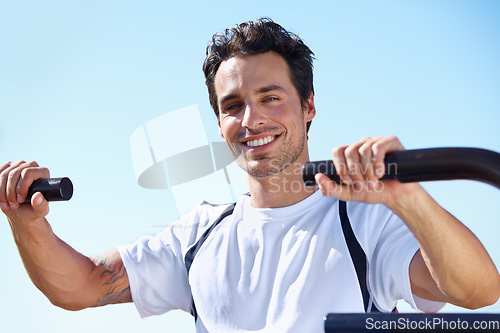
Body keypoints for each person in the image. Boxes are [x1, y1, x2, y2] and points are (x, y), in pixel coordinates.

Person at [1, 18, 499, 333]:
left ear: (307, 107)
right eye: (233, 106)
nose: (251, 120)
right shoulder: (199, 234)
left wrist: (409, 200)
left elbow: (477, 292)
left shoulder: (365, 224)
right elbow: (81, 286)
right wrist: (27, 223)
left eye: (270, 98)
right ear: (219, 123)